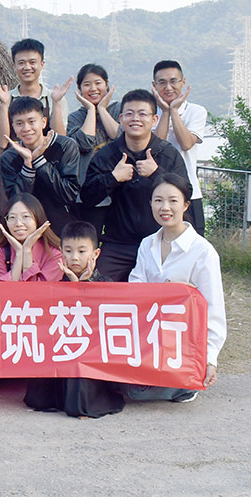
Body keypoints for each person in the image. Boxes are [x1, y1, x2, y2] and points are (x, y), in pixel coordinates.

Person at [126, 174, 226, 403]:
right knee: (125, 388)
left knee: (137, 393)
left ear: (186, 204)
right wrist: (174, 291)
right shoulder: (147, 244)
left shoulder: (203, 251)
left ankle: (185, 384)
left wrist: (210, 360)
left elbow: (214, 310)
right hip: (149, 337)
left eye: (173, 200)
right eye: (158, 200)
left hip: (183, 341)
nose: (165, 207)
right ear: (150, 203)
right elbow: (135, 291)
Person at [81, 89, 189, 281]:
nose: (135, 119)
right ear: (121, 118)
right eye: (129, 113)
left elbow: (184, 194)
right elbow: (88, 196)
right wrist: (113, 177)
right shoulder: (108, 154)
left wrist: (156, 174)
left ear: (154, 119)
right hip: (118, 243)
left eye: (142, 114)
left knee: (168, 291)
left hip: (160, 239)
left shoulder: (168, 154)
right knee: (96, 285)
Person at [23, 221, 126, 418]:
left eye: (81, 251)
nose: (74, 258)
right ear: (61, 251)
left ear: (95, 253)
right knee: (37, 397)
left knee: (78, 393)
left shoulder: (105, 283)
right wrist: (72, 285)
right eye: (68, 251)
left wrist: (83, 285)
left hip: (92, 350)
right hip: (61, 346)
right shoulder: (56, 283)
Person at [0, 96, 81, 235]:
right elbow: (15, 201)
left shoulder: (65, 146)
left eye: (32, 121)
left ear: (43, 122)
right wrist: (27, 165)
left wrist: (39, 160)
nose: (26, 128)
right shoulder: (9, 157)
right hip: (26, 230)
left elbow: (68, 193)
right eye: (19, 123)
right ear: (13, 126)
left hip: (62, 227)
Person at [151, 60, 207, 234]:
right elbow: (155, 147)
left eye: (173, 81)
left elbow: (186, 143)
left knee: (194, 245)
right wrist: (164, 112)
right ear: (154, 86)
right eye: (162, 82)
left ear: (183, 82)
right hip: (156, 191)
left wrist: (173, 111)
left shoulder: (196, 111)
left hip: (189, 191)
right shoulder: (150, 113)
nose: (168, 87)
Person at [0, 38, 71, 150]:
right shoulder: (1, 100)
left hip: (49, 164)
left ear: (42, 64)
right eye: (21, 63)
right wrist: (4, 105)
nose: (27, 67)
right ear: (14, 66)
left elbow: (61, 141)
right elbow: (1, 143)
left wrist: (56, 103)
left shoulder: (55, 99)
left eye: (32, 62)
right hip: (13, 163)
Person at [67, 64, 120, 232]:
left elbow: (119, 137)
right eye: (87, 84)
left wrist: (102, 109)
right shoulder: (75, 117)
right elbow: (84, 143)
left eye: (98, 83)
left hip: (118, 191)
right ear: (79, 89)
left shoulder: (119, 109)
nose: (93, 89)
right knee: (89, 240)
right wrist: (91, 109)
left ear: (107, 84)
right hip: (87, 193)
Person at [0, 193, 62, 282]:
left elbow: (38, 291)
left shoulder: (54, 253)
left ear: (38, 218)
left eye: (25, 216)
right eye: (12, 217)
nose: (18, 223)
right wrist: (19, 254)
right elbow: (1, 291)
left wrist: (27, 250)